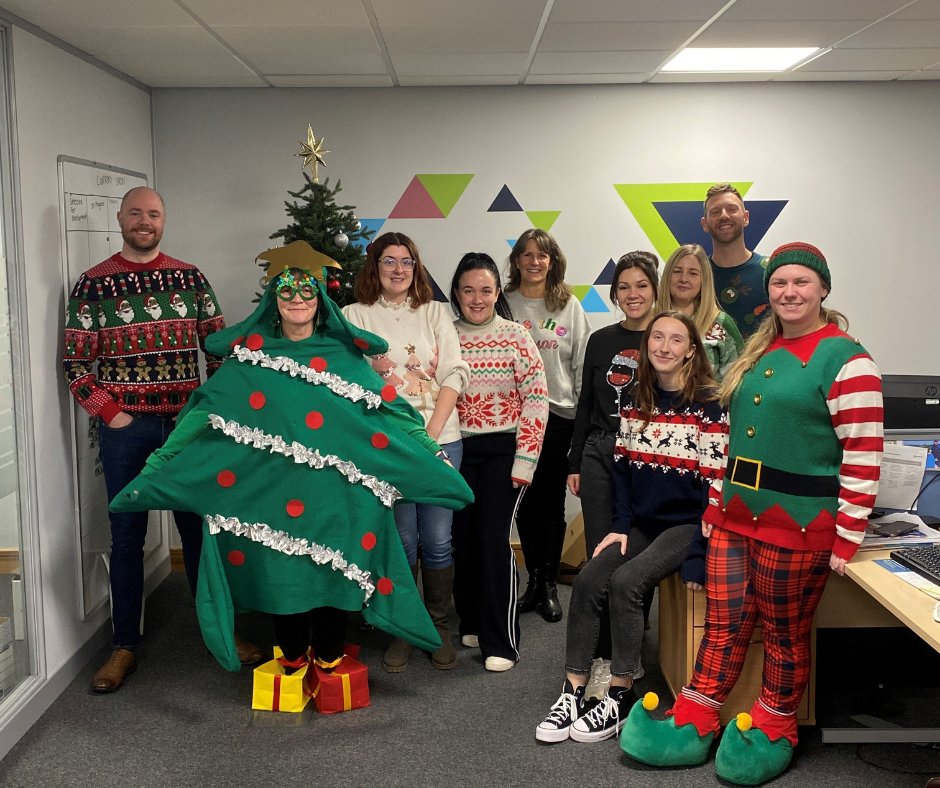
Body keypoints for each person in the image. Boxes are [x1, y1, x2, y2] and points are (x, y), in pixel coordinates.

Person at [109, 256, 474, 677]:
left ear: (321, 300)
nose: (297, 300)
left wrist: (432, 451)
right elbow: (204, 412)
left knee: (336, 575)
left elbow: (391, 413)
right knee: (286, 577)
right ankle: (294, 664)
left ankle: (330, 663)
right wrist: (159, 463)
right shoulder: (250, 359)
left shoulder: (345, 356)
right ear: (273, 300)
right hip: (275, 501)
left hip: (336, 498)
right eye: (286, 292)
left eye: (306, 292)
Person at [621, 243, 884, 786]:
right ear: (768, 292)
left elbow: (863, 452)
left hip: (801, 524)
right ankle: (694, 716)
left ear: (822, 290)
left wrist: (848, 534)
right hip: (735, 516)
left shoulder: (847, 358)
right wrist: (715, 509)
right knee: (724, 625)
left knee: (785, 635)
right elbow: (731, 443)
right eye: (780, 283)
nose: (789, 292)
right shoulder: (758, 352)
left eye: (801, 283)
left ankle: (774, 724)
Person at [62, 186, 263, 694]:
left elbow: (217, 350)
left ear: (164, 220)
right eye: (135, 213)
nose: (144, 221)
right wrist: (112, 414)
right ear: (120, 219)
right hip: (127, 431)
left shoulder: (190, 278)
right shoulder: (92, 285)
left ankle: (218, 630)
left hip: (186, 429)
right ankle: (123, 645)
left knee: (198, 532)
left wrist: (210, 413)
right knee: (126, 537)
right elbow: (74, 363)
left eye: (153, 214)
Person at [535, 310, 727, 744]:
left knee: (627, 583)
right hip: (641, 521)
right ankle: (573, 690)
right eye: (657, 338)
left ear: (691, 350)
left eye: (676, 340)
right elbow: (621, 470)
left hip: (686, 525)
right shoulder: (637, 400)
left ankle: (620, 693)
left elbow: (717, 486)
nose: (663, 346)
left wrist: (699, 552)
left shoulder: (710, 404)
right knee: (589, 578)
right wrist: (619, 526)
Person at [343, 232, 470, 672]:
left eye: (407, 262)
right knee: (402, 539)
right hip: (386, 447)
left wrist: (431, 434)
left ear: (417, 268)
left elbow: (454, 372)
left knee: (437, 539)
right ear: (374, 267)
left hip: (438, 439)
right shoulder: (353, 315)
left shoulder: (435, 312)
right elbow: (350, 383)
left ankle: (437, 628)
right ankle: (402, 628)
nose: (399, 270)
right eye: (389, 261)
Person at [450, 252, 548, 672]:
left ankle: (502, 641)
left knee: (492, 542)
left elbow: (537, 399)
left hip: (504, 453)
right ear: (456, 292)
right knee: (462, 540)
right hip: (454, 451)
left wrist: (525, 460)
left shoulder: (515, 336)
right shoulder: (445, 335)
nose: (477, 298)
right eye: (468, 290)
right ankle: (470, 620)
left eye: (485, 290)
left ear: (497, 292)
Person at [504, 229, 592, 623]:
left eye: (542, 255)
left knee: (552, 506)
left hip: (559, 417)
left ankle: (548, 583)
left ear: (553, 261)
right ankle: (531, 582)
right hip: (515, 419)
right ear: (517, 261)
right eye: (526, 255)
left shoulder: (569, 305)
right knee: (524, 502)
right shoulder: (504, 303)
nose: (534, 262)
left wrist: (579, 421)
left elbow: (581, 366)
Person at [567, 251, 659, 558]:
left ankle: (630, 608)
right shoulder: (600, 339)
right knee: (600, 546)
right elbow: (586, 403)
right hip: (599, 451)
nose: (633, 294)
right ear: (615, 294)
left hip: (646, 453)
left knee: (636, 549)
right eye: (623, 287)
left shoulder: (666, 338)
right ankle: (598, 609)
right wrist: (575, 462)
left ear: (656, 290)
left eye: (642, 285)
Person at [657, 244, 743, 380]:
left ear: (704, 280)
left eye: (693, 273)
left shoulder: (720, 323)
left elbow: (738, 382)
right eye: (677, 271)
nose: (684, 279)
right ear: (667, 275)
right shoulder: (650, 320)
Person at [702, 183, 768, 340]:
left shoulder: (771, 271)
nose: (724, 216)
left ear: (746, 218)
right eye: (715, 211)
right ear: (705, 224)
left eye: (732, 209)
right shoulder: (696, 275)